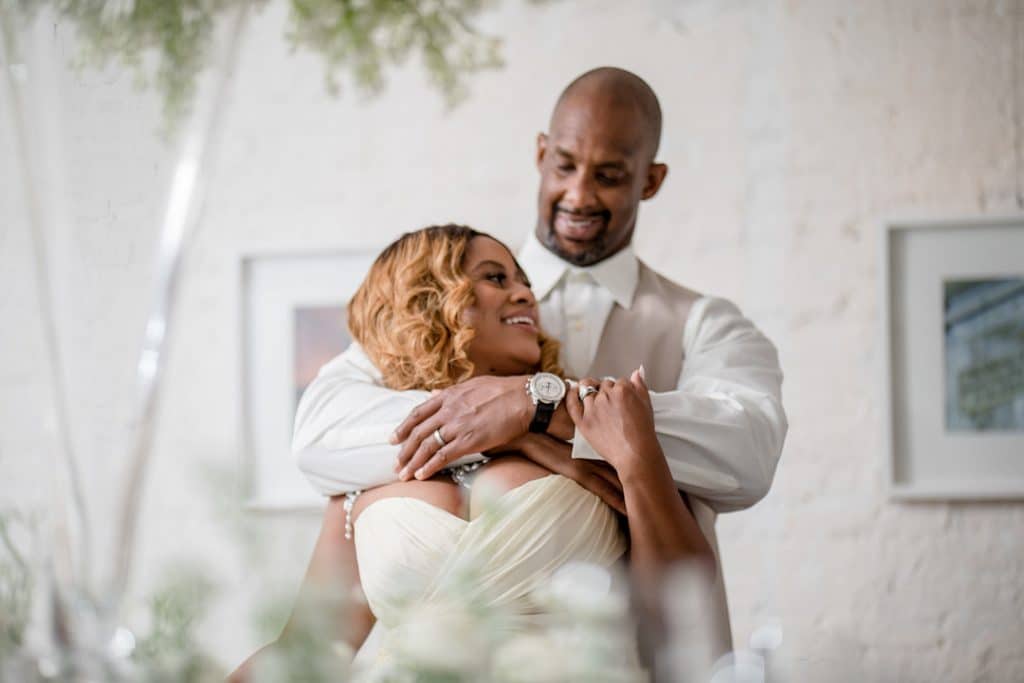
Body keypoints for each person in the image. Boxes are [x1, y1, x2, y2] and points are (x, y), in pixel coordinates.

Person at [293, 67, 788, 656]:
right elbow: (319, 432)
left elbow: (747, 451)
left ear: (651, 180)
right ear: (540, 154)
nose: (579, 195)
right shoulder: (439, 307)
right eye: (565, 165)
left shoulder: (706, 324)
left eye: (608, 176)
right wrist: (518, 431)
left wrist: (541, 407)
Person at [233, 225, 711, 681]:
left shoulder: (585, 425)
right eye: (496, 278)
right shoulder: (366, 465)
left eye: (525, 284)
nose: (526, 296)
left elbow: (682, 595)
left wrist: (635, 459)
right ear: (428, 300)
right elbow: (311, 652)